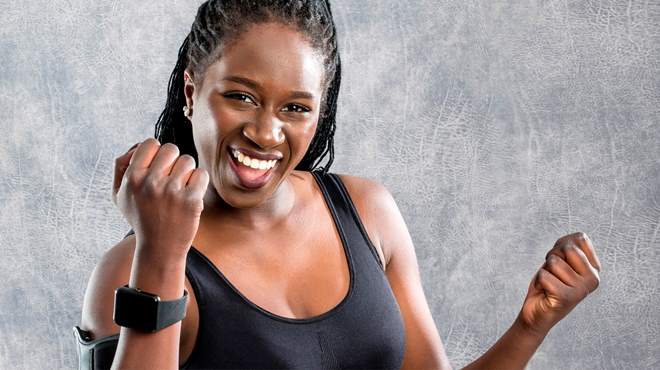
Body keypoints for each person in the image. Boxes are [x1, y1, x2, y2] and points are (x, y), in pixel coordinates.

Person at [74, 0, 602, 369]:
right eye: (240, 96)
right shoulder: (131, 270)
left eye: (296, 108)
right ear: (192, 92)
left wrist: (531, 325)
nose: (264, 132)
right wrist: (163, 256)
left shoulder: (367, 212)